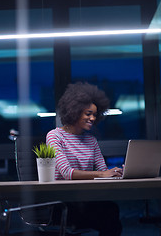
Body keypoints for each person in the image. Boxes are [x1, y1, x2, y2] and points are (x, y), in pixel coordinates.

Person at [46, 82, 122, 236]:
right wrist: (102, 174)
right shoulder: (54, 136)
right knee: (109, 214)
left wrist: (116, 172)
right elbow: (67, 173)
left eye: (95, 114)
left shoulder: (91, 140)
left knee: (112, 211)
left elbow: (103, 170)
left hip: (85, 199)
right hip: (62, 203)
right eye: (88, 114)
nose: (92, 118)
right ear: (75, 111)